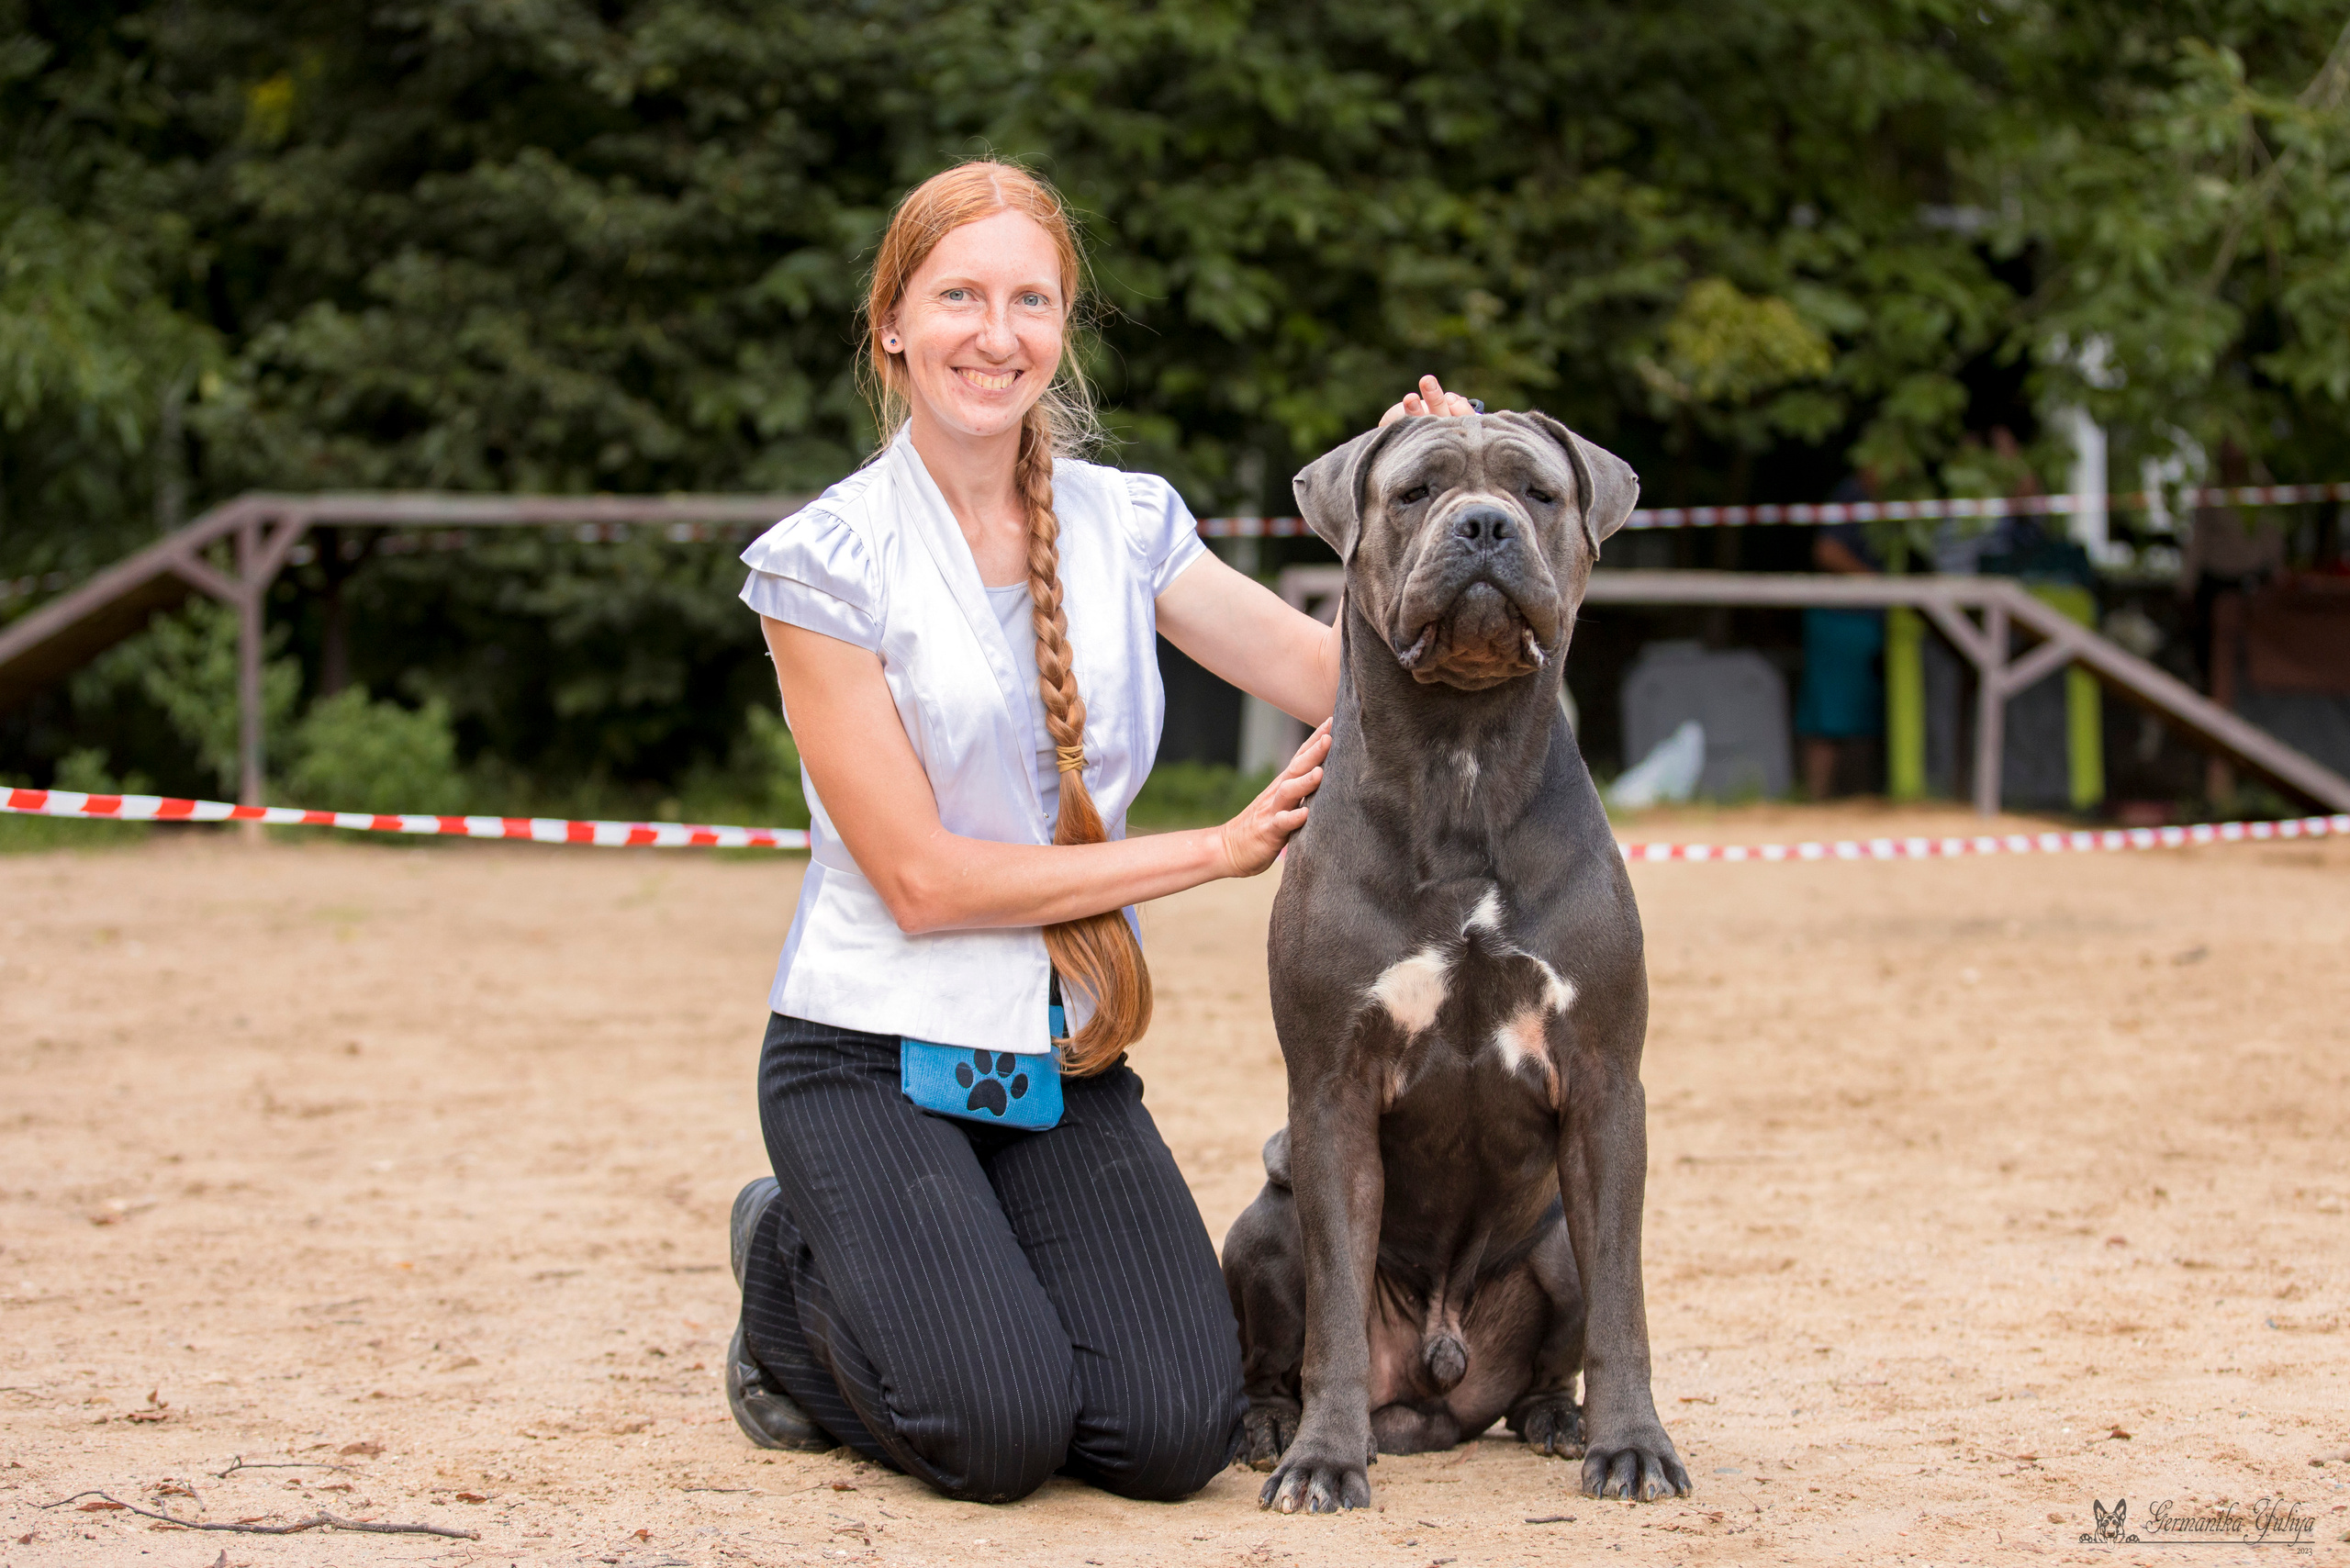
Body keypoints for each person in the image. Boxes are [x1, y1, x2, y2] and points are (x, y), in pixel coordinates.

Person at [722, 159, 1478, 1506]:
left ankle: (961, 1279)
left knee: (1170, 1436)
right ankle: (787, 1263)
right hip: (866, 1057)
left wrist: (1410, 488)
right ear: (892, 321)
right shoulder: (822, 563)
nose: (995, 334)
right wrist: (1212, 851)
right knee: (999, 1435)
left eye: (1031, 299)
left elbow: (1345, 681)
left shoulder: (1129, 527)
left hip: (1055, 1055)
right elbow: (922, 881)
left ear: (1064, 325)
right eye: (959, 295)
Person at [1795, 475, 1885, 799]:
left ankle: (1850, 801)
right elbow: (1827, 550)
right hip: (1840, 622)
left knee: (1856, 719)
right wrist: (1878, 583)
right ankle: (1818, 801)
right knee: (1828, 720)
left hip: (1861, 626)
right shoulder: (1853, 493)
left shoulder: (1877, 496)